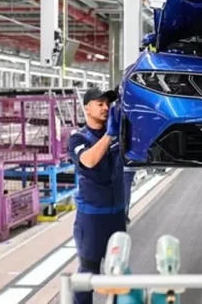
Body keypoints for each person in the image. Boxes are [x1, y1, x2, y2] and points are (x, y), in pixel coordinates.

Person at [67, 87, 126, 304]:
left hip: (117, 215)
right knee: (88, 272)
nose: (105, 108)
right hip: (92, 218)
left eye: (107, 104)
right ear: (87, 108)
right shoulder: (78, 138)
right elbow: (89, 160)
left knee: (119, 271)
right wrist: (110, 135)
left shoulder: (118, 134)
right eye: (100, 103)